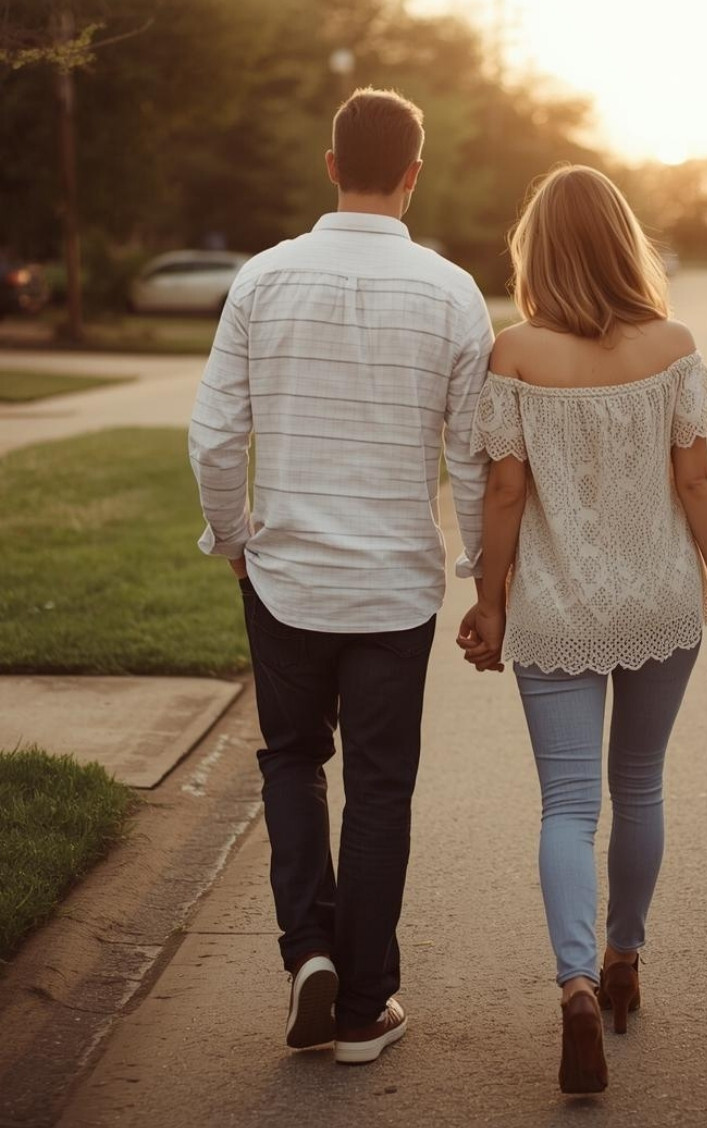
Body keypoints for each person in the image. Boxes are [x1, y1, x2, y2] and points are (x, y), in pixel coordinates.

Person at [189, 88, 493, 1065]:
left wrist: (231, 535)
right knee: (380, 788)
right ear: (414, 172)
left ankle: (308, 950)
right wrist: (480, 572)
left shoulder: (263, 280)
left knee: (289, 761)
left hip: (285, 580)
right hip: (395, 586)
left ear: (331, 166)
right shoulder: (451, 292)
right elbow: (476, 457)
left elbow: (213, 437)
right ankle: (364, 1007)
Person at [457, 164, 707, 1095]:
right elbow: (697, 483)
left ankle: (576, 987)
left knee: (568, 805)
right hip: (662, 601)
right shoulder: (673, 344)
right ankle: (627, 957)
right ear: (626, 244)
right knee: (641, 786)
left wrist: (490, 601)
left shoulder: (516, 354)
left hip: (554, 607)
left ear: (535, 252)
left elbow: (505, 491)